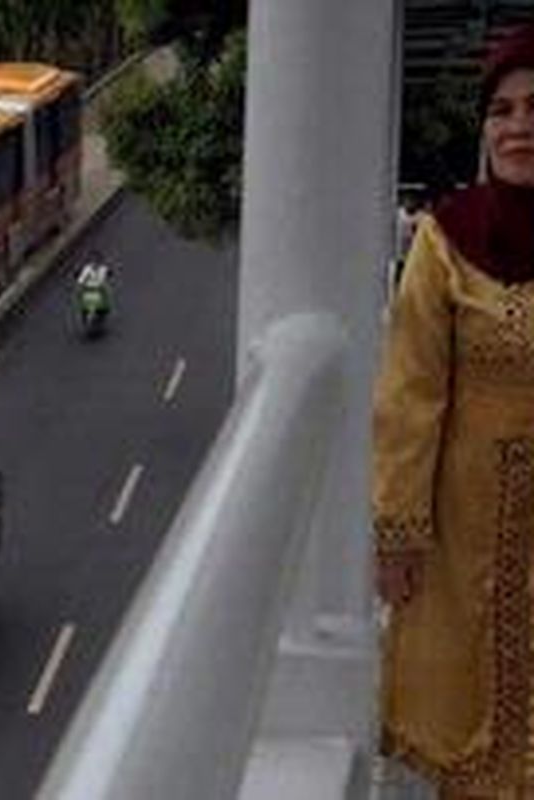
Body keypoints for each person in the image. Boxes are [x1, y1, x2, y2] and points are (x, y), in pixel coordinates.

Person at [374, 24, 534, 798]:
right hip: (463, 522)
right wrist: (399, 533)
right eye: (501, 110)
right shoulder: (447, 241)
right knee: (472, 725)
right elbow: (410, 396)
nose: (518, 126)